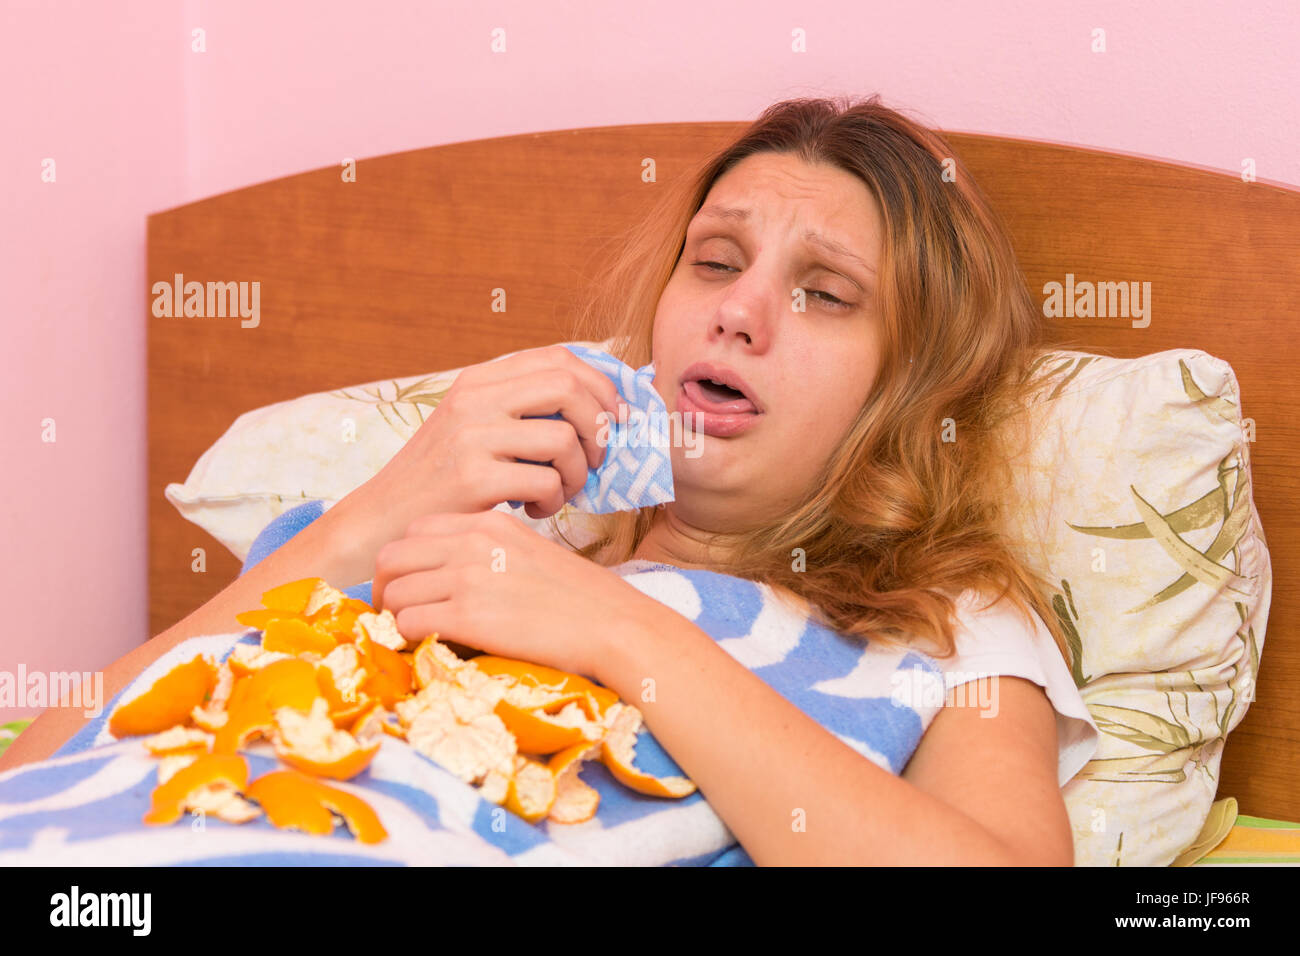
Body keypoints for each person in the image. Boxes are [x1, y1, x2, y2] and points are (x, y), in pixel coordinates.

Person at [0, 94, 1097, 865]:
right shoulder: (488, 522)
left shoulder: (945, 618)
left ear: (908, 381)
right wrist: (386, 504)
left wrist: (614, 627)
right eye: (714, 260)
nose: (739, 310)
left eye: (826, 292)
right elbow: (44, 766)